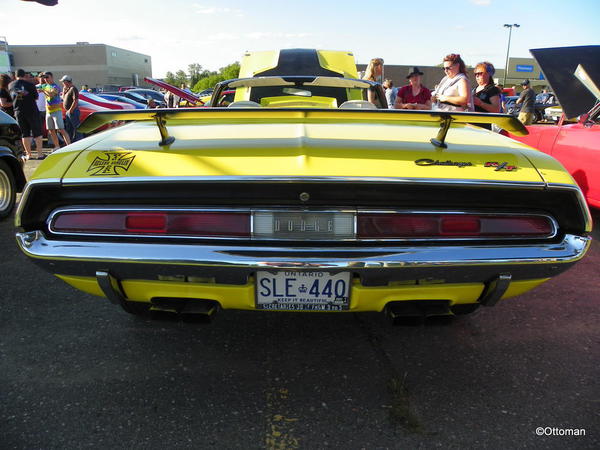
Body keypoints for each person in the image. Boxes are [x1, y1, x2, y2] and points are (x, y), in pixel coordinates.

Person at [9, 68, 43, 160]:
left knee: (24, 133)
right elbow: (36, 97)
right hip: (31, 110)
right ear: (25, 75)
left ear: (15, 76)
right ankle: (40, 154)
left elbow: (11, 98)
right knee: (37, 132)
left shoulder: (11, 85)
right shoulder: (30, 85)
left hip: (18, 111)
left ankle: (29, 154)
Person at [38, 72, 71, 150]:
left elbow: (51, 94)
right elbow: (35, 87)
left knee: (61, 129)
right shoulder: (44, 85)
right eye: (44, 78)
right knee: (51, 130)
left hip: (56, 111)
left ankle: (69, 146)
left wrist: (43, 91)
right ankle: (57, 146)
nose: (46, 79)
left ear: (52, 77)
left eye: (47, 77)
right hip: (48, 111)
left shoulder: (56, 86)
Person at [60, 75, 81, 142]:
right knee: (69, 128)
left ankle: (79, 141)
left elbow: (76, 100)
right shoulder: (67, 89)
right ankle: (71, 142)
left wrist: (70, 110)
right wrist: (64, 91)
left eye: (63, 82)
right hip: (68, 112)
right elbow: (63, 98)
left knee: (76, 128)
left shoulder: (73, 88)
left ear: (66, 82)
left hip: (73, 111)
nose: (62, 84)